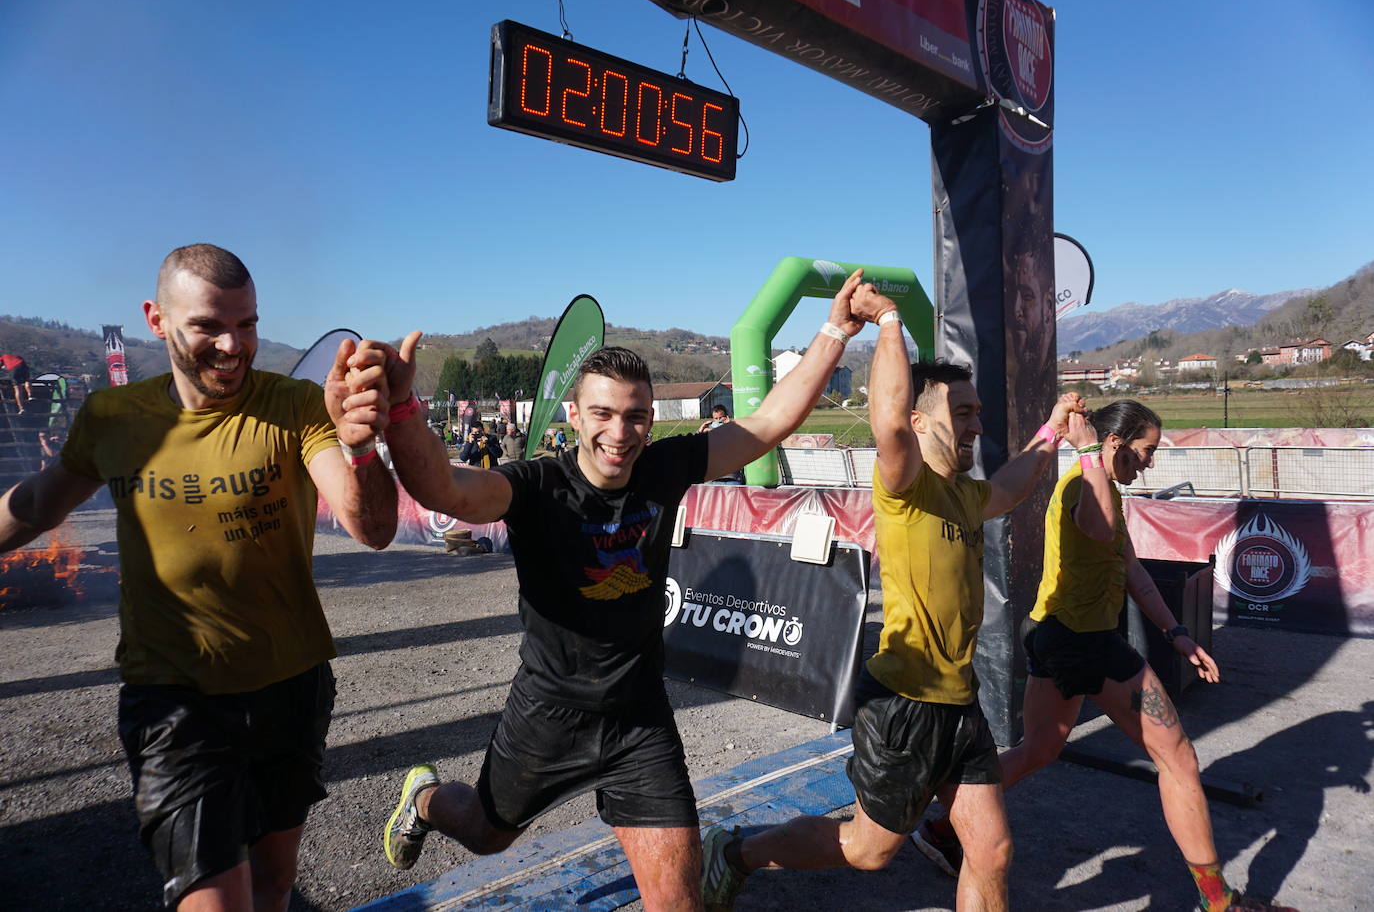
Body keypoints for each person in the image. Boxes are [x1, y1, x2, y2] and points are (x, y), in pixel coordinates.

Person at [362, 269, 885, 909]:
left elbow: (771, 421)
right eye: (604, 414)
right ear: (575, 415)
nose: (620, 432)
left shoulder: (663, 467)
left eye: (636, 416)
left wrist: (835, 329)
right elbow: (446, 490)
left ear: (651, 419)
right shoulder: (536, 486)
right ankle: (423, 797)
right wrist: (406, 411)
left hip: (639, 719)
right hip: (549, 715)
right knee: (482, 834)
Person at [0, 244, 398, 911]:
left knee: (274, 884)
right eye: (209, 326)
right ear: (156, 320)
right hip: (174, 701)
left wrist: (360, 446)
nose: (232, 344)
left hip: (290, 686)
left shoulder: (294, 405)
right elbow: (40, 505)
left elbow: (373, 529)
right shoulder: (113, 418)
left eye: (246, 325)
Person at [701, 282, 1084, 912]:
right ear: (920, 419)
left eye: (978, 413)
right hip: (904, 705)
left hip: (960, 704)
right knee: (869, 850)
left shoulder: (966, 494)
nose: (976, 425)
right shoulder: (904, 483)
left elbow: (1011, 487)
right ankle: (737, 851)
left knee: (990, 850)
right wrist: (887, 324)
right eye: (962, 413)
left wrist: (1050, 432)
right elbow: (887, 416)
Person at [916, 401, 1296, 912]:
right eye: (1146, 451)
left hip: (1058, 637)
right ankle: (1219, 902)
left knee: (1039, 752)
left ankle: (943, 828)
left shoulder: (1105, 487)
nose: (1150, 464)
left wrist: (1177, 632)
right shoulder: (1083, 483)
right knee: (1178, 758)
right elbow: (1095, 529)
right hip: (1082, 642)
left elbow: (1131, 566)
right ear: (1115, 443)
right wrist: (1088, 450)